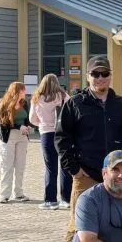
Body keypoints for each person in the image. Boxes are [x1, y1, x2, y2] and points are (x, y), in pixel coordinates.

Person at [56, 55, 122, 242]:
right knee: (77, 225)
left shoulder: (121, 105)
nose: (100, 78)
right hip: (87, 173)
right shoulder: (76, 103)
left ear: (110, 75)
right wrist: (73, 168)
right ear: (88, 76)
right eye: (95, 74)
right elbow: (61, 138)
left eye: (104, 74)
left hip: (116, 176)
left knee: (113, 222)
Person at [29, 74, 72, 210]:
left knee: (50, 168)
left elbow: (32, 119)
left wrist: (42, 124)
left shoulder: (36, 98)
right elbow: (72, 112)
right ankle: (66, 199)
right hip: (62, 133)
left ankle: (50, 200)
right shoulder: (63, 96)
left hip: (46, 134)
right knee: (65, 165)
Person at [0, 81, 33, 204]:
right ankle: (4, 195)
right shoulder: (4, 103)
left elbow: (26, 120)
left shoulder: (24, 103)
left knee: (20, 166)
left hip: (22, 137)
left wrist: (28, 127)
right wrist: (18, 126)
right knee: (7, 166)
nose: (25, 92)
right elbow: (3, 124)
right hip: (8, 137)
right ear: (16, 91)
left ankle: (19, 193)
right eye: (23, 89)